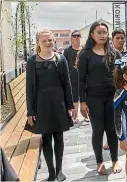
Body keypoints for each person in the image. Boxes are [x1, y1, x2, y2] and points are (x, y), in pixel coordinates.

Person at [25, 29, 77, 181]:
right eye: (44, 40)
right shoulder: (32, 61)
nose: (48, 43)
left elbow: (67, 84)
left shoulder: (60, 59)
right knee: (46, 139)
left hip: (58, 103)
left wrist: (70, 105)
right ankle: (51, 173)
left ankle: (60, 171)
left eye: (50, 40)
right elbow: (30, 88)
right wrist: (30, 111)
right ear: (38, 43)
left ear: (53, 41)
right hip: (42, 104)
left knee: (59, 138)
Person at [77, 22, 122, 175]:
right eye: (99, 32)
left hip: (112, 97)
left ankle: (115, 159)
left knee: (111, 129)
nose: (103, 35)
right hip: (93, 98)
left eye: (105, 32)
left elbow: (121, 76)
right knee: (98, 130)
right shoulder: (85, 55)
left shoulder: (115, 54)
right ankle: (99, 162)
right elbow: (81, 80)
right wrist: (82, 102)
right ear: (92, 35)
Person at [104, 28, 127, 150]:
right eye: (118, 38)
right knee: (113, 115)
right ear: (112, 39)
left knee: (126, 113)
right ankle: (110, 139)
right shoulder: (108, 53)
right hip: (113, 89)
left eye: (122, 38)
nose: (120, 40)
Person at [63, 30, 84, 123]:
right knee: (74, 98)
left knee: (85, 97)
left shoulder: (84, 50)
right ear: (71, 38)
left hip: (84, 77)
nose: (76, 37)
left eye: (78, 36)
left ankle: (85, 115)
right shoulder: (67, 51)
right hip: (72, 78)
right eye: (74, 36)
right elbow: (64, 65)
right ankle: (75, 117)